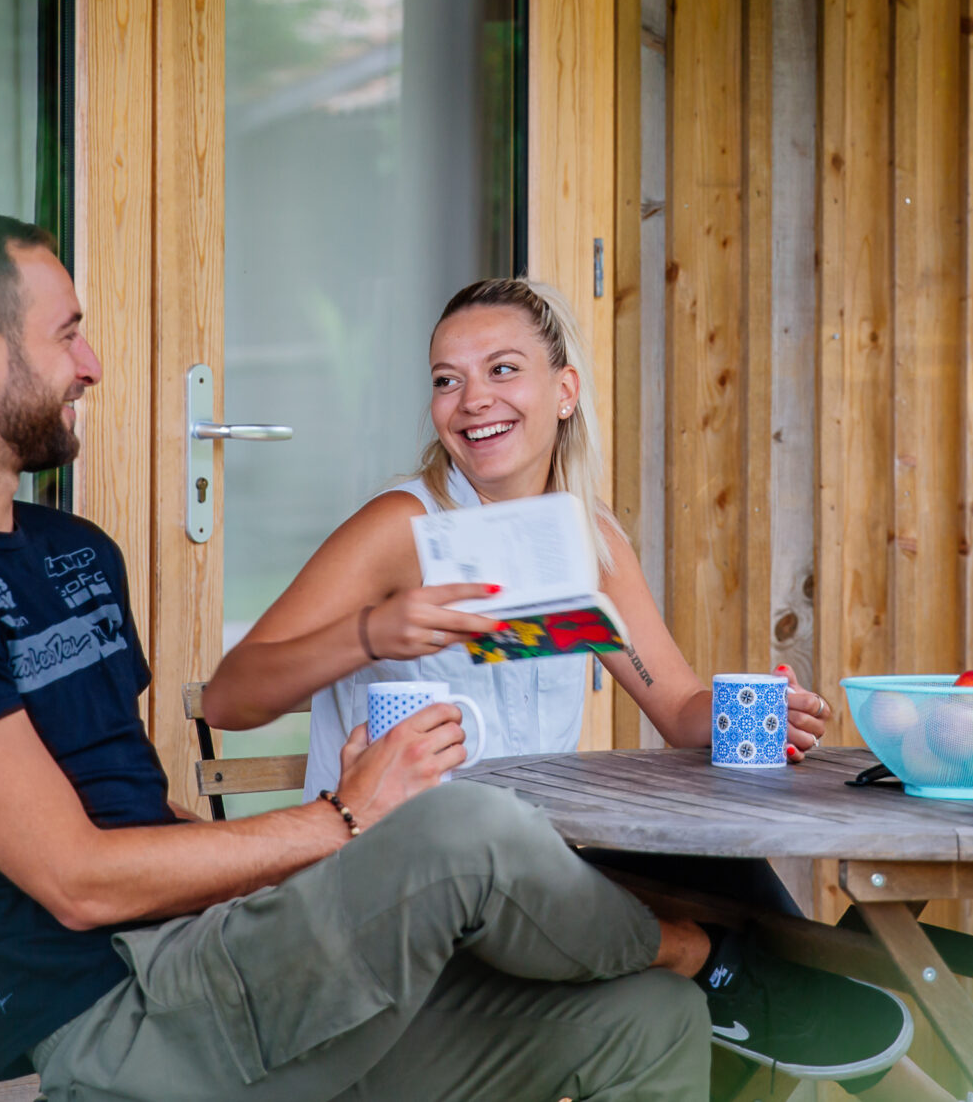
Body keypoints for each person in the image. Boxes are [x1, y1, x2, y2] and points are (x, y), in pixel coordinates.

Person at [0, 213, 713, 1102]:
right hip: (126, 1018)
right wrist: (344, 818)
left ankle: (705, 966)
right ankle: (717, 952)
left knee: (650, 1021)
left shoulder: (75, 555)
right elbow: (80, 881)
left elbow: (138, 808)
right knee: (461, 826)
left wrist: (323, 876)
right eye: (68, 333)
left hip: (229, 961)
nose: (89, 363)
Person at [200, 277, 914, 1089]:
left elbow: (675, 705)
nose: (472, 400)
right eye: (447, 379)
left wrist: (742, 710)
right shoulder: (403, 527)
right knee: (718, 929)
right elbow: (233, 695)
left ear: (564, 389)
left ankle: (772, 997)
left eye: (502, 369)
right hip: (408, 885)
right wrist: (375, 630)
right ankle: (752, 987)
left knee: (722, 869)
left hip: (537, 870)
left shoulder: (586, 537)